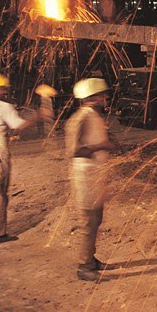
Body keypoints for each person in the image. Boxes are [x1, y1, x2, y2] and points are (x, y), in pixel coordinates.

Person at [0, 72, 54, 243]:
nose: (4, 92)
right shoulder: (2, 107)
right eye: (1, 89)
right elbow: (18, 125)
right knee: (0, 194)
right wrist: (39, 114)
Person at [65, 77, 119, 281]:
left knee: (96, 219)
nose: (105, 98)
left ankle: (91, 259)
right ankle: (84, 267)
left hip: (95, 175)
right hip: (85, 177)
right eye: (102, 95)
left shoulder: (95, 116)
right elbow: (74, 150)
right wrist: (102, 146)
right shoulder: (80, 118)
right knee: (88, 222)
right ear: (92, 97)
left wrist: (109, 141)